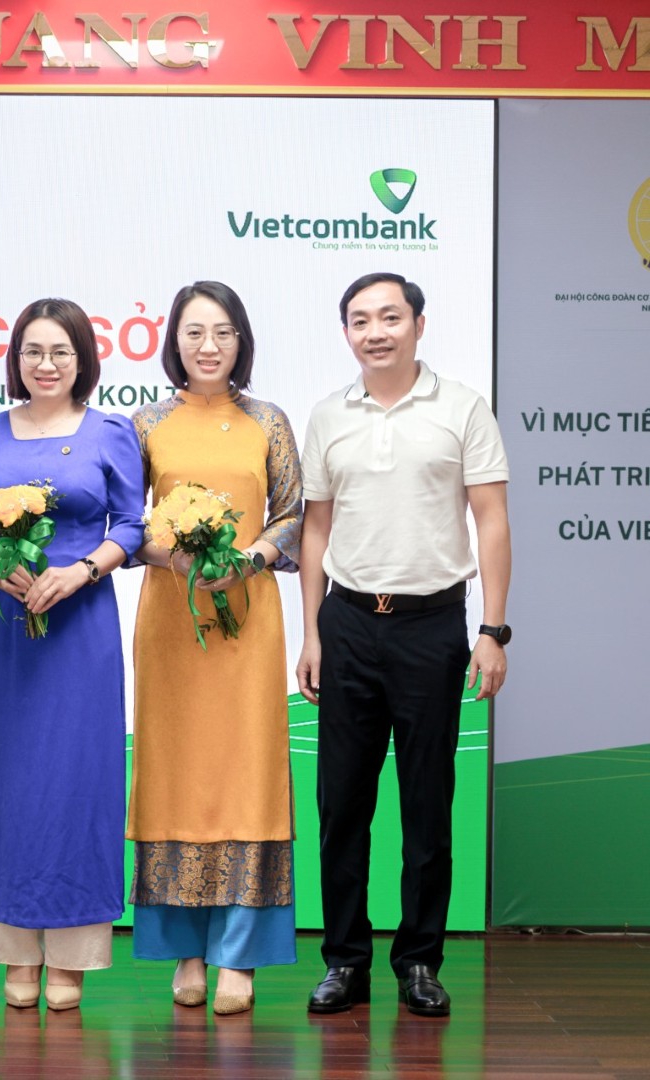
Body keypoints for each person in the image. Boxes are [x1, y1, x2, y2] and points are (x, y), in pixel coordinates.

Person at [298, 273, 511, 1018]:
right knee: (341, 807)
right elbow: (315, 528)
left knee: (426, 805)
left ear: (419, 324)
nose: (376, 331)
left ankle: (419, 961)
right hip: (349, 624)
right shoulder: (329, 415)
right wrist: (312, 631)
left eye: (390, 317)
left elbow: (491, 519)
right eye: (360, 320)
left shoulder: (462, 408)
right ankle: (344, 961)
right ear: (346, 333)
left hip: (432, 628)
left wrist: (492, 630)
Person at [0, 298, 145, 1012]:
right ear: (15, 360)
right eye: (32, 350)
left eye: (61, 351)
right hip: (10, 626)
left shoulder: (110, 432)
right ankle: (12, 950)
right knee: (8, 781)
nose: (46, 364)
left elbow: (131, 524)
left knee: (77, 780)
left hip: (82, 626)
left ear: (83, 358)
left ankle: (72, 955)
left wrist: (82, 571)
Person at [126, 281, 304, 1016]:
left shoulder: (268, 421)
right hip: (172, 623)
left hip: (248, 621)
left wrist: (250, 558)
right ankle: (187, 952)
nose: (209, 346)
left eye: (224, 332)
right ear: (173, 340)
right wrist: (177, 557)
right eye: (195, 332)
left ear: (241, 341)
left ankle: (240, 954)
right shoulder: (145, 424)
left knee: (245, 775)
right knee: (176, 775)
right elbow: (123, 525)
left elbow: (293, 514)